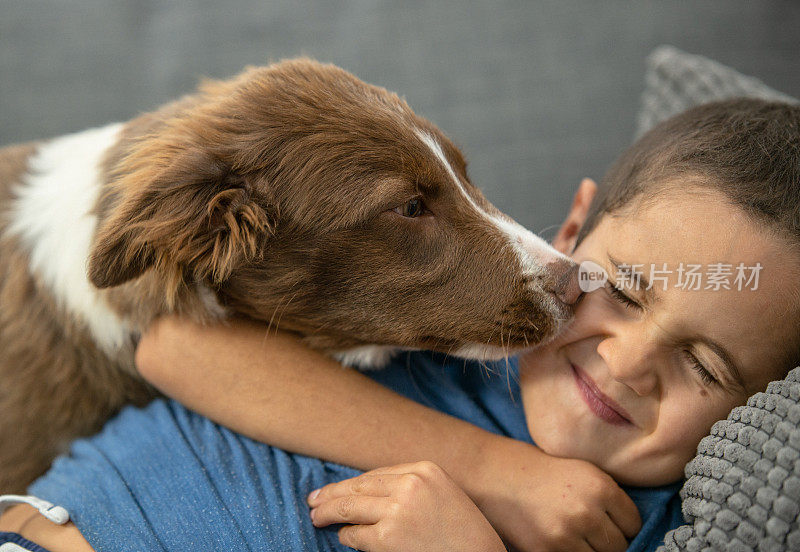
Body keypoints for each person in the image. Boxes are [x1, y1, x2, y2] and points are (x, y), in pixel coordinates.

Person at [2, 98, 799, 552]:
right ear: (570, 233)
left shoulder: (643, 526)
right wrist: (498, 472)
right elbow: (177, 346)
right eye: (622, 291)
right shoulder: (449, 337)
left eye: (708, 366)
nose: (629, 360)